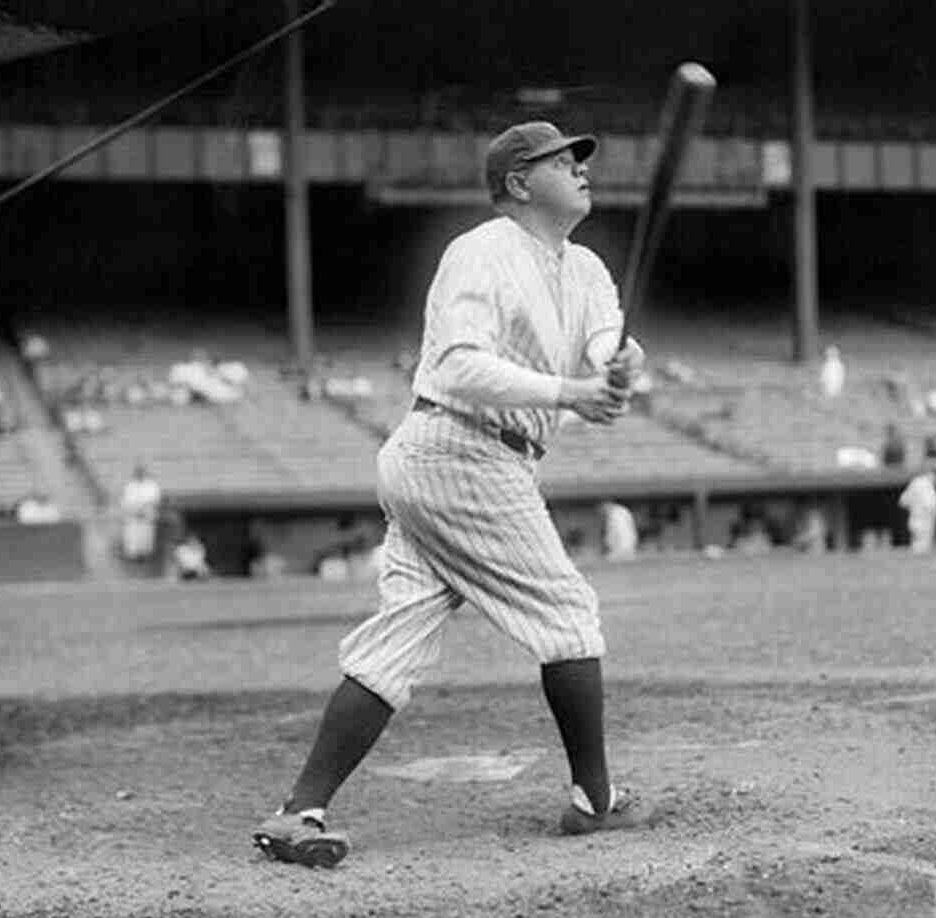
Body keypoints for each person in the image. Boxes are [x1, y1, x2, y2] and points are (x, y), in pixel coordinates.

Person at [252, 121, 651, 869]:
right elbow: (460, 366)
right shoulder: (481, 251)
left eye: (580, 159)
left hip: (469, 459)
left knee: (398, 640)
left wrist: (618, 368)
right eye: (561, 160)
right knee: (568, 615)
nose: (580, 168)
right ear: (519, 184)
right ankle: (595, 801)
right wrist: (574, 392)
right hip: (458, 445)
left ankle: (297, 812)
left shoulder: (589, 267)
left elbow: (604, 344)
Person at [119, 464, 162, 561]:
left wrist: (143, 508)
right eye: (137, 472)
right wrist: (134, 509)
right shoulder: (130, 486)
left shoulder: (151, 485)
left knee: (146, 535)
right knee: (133, 535)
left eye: (141, 472)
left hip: (146, 514)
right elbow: (125, 501)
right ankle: (133, 555)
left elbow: (154, 499)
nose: (139, 474)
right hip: (133, 515)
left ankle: (146, 554)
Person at [899, 462, 936, 554]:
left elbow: (903, 501)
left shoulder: (915, 482)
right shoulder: (927, 486)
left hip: (914, 519)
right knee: (922, 547)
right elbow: (930, 505)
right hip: (924, 521)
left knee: (918, 545)